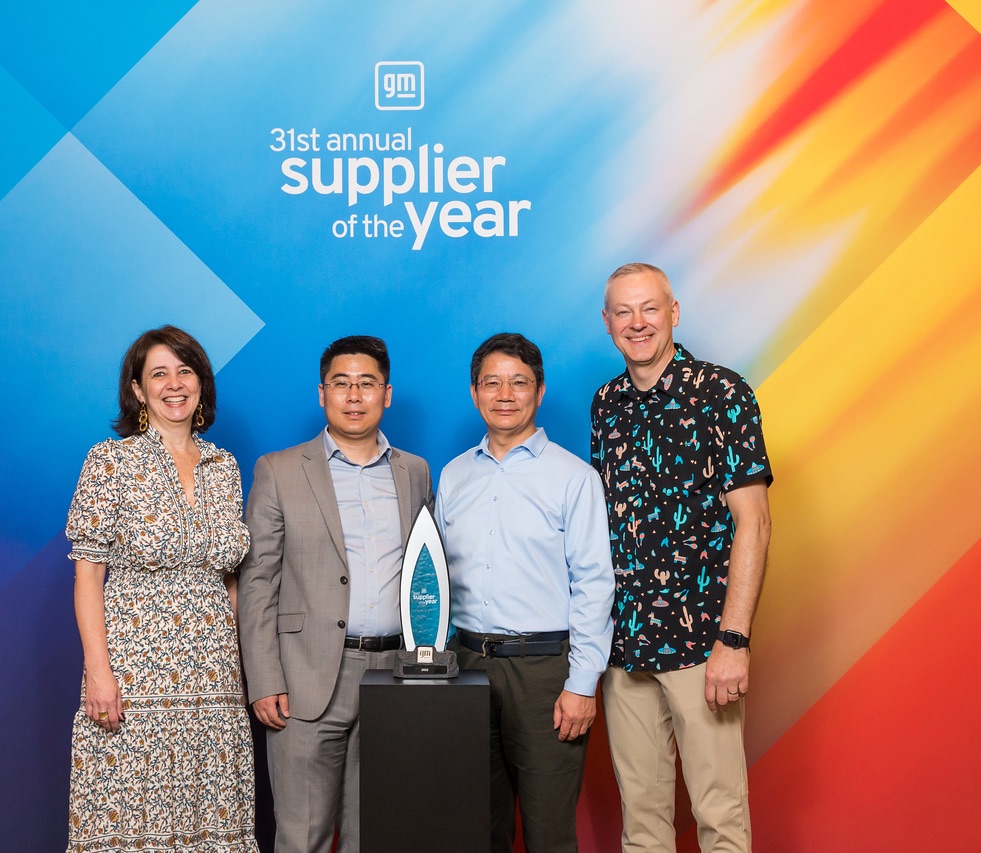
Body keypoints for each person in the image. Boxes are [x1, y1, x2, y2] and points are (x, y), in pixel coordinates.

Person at [592, 263, 773, 853]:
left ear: (673, 312)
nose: (637, 322)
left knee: (719, 815)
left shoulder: (723, 393)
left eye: (649, 308)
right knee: (642, 823)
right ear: (607, 322)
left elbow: (754, 522)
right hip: (625, 647)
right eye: (623, 311)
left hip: (702, 646)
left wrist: (734, 640)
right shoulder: (606, 404)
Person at [64, 325, 258, 852]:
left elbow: (229, 578)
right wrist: (98, 673)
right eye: (159, 374)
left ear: (201, 384)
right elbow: (88, 577)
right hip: (135, 677)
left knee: (211, 822)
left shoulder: (224, 466)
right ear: (137, 389)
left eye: (185, 371)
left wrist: (241, 670)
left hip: (214, 682)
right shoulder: (110, 462)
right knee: (129, 822)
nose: (174, 384)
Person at [237, 335, 433, 853]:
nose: (353, 395)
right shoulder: (279, 470)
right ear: (321, 393)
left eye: (366, 383)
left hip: (394, 674)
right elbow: (258, 583)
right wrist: (264, 679)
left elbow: (426, 576)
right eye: (341, 383)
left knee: (376, 835)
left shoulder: (414, 471)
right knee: (303, 837)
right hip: (305, 677)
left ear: (386, 394)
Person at [436, 332, 616, 853]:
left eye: (519, 382)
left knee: (548, 832)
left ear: (539, 391)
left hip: (544, 673)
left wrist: (582, 683)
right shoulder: (453, 475)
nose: (505, 394)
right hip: (466, 666)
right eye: (491, 382)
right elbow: (438, 578)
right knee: (476, 827)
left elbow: (594, 584)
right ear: (474, 392)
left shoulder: (573, 477)